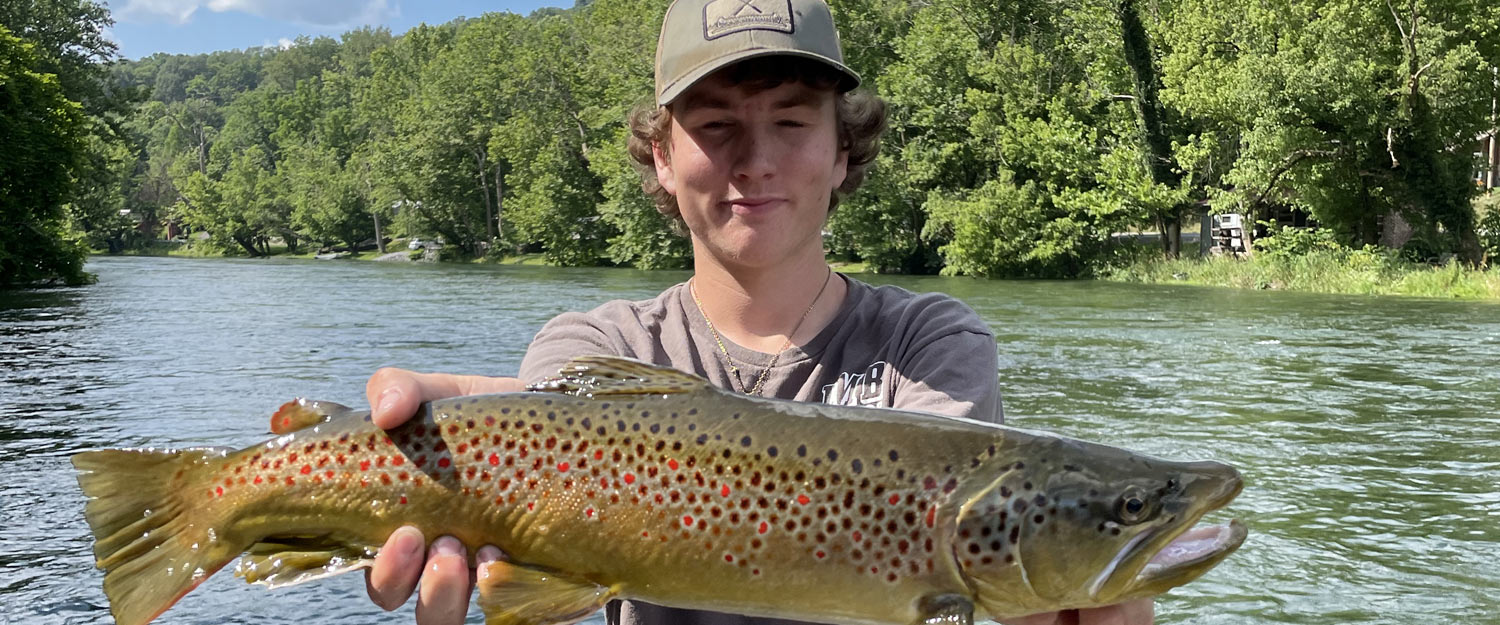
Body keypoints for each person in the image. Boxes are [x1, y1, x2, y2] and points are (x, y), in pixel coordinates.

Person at [360, 1, 1153, 624]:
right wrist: (452, 453)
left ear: (843, 148)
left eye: (792, 119)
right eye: (715, 125)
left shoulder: (930, 346)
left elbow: (943, 559)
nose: (758, 159)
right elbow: (535, 567)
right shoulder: (595, 343)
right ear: (662, 158)